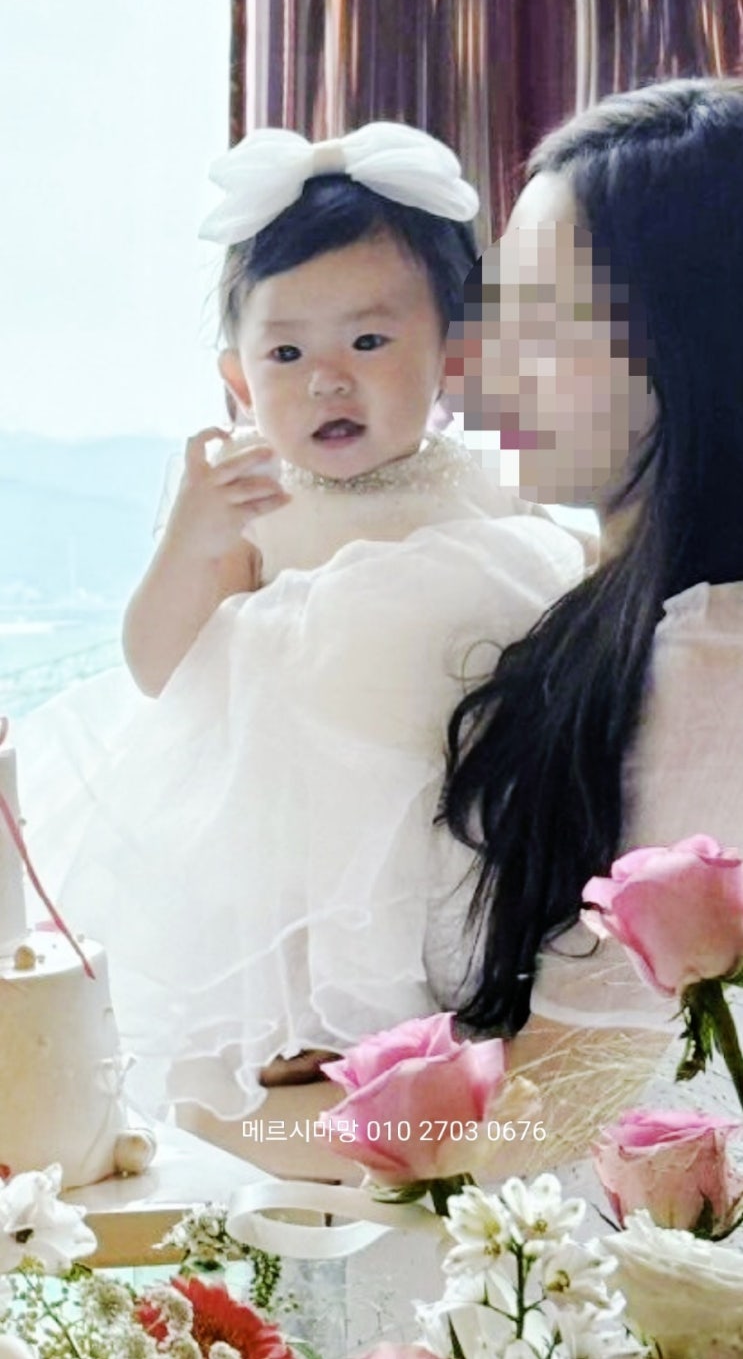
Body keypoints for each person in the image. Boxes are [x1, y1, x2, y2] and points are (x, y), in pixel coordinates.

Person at [37, 122, 586, 1172]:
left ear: (454, 353)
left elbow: (550, 607)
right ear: (238, 381)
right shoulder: (246, 495)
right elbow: (156, 665)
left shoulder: (481, 484)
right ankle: (293, 1026)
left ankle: (437, 1023)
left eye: (368, 343)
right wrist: (193, 540)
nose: (327, 380)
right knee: (289, 887)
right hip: (284, 822)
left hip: (445, 793)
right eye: (285, 354)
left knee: (457, 922)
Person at [437, 77, 743, 1172]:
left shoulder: (713, 657)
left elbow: (573, 1095)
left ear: (691, 338)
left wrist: (232, 1136)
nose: (477, 362)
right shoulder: (605, 597)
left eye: (540, 319)